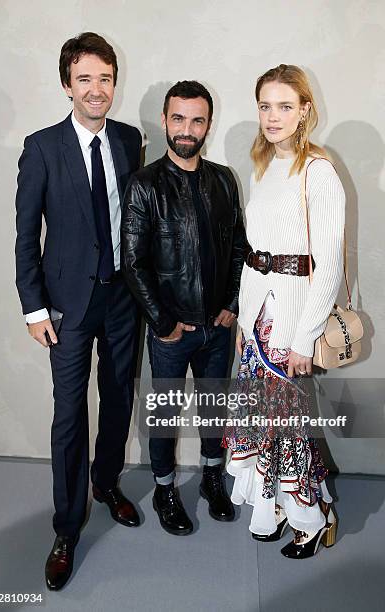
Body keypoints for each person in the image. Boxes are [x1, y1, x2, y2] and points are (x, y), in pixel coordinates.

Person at [15, 32, 142, 590]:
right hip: (65, 305)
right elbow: (26, 237)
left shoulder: (129, 140)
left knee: (118, 397)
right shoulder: (42, 147)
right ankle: (67, 527)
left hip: (122, 301)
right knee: (69, 415)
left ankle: (107, 483)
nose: (96, 89)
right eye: (85, 79)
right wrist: (33, 308)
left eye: (105, 78)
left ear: (115, 82)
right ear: (67, 84)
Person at [224, 64, 345, 558]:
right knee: (267, 425)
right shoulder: (265, 164)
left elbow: (330, 263)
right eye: (265, 106)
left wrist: (302, 338)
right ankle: (276, 510)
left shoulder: (319, 171)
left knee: (290, 430)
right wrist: (245, 318)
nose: (273, 117)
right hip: (259, 321)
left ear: (305, 111)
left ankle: (314, 520)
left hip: (293, 323)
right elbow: (258, 254)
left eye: (285, 106)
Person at [121, 80, 248, 535]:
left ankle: (214, 476)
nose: (187, 129)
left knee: (215, 408)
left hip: (217, 327)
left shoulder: (223, 180)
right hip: (171, 331)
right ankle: (164, 487)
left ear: (208, 124)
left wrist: (232, 303)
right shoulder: (144, 184)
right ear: (165, 120)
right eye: (179, 118)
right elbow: (133, 264)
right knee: (165, 415)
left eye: (197, 120)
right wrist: (164, 322)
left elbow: (239, 249)